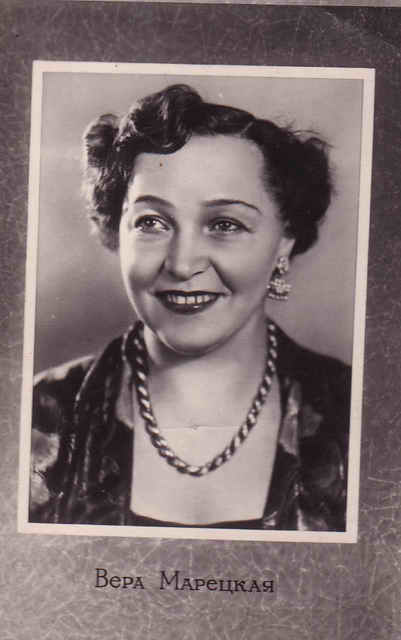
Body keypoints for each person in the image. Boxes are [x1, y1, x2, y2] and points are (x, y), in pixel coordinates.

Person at [30, 84, 351, 531]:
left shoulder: (359, 414)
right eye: (151, 222)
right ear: (116, 230)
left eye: (225, 224)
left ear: (285, 241)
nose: (182, 264)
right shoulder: (34, 414)